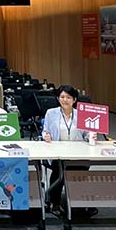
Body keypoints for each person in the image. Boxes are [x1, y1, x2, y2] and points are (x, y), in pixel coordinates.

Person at [42, 85, 97, 218]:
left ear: (74, 100)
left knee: (79, 172)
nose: (65, 100)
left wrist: (90, 136)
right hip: (58, 152)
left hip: (78, 152)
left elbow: (86, 134)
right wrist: (46, 136)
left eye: (68, 97)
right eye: (62, 97)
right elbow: (45, 131)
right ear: (58, 98)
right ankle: (55, 203)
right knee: (58, 172)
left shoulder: (82, 114)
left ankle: (80, 201)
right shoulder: (51, 113)